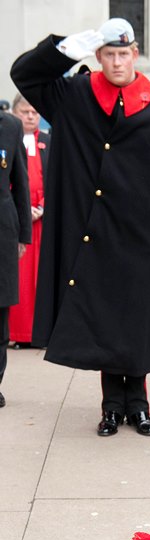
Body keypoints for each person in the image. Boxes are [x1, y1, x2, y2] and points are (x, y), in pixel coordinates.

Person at [11, 18, 150, 436]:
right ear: (98, 56)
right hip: (94, 234)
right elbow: (24, 75)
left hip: (141, 236)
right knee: (106, 320)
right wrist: (62, 50)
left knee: (136, 321)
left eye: (123, 54)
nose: (117, 62)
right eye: (109, 54)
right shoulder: (75, 96)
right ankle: (111, 407)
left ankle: (138, 405)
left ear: (135, 54)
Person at [9, 93, 50, 348]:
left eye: (35, 112)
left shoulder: (49, 141)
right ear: (15, 113)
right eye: (25, 112)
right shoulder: (7, 139)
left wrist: (42, 207)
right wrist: (21, 210)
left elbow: (56, 178)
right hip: (16, 220)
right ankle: (19, 333)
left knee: (41, 277)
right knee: (20, 279)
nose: (31, 116)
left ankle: (40, 332)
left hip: (43, 220)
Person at [0, 110, 32, 408]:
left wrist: (24, 234)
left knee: (0, 311)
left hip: (3, 231)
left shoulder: (10, 126)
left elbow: (20, 182)